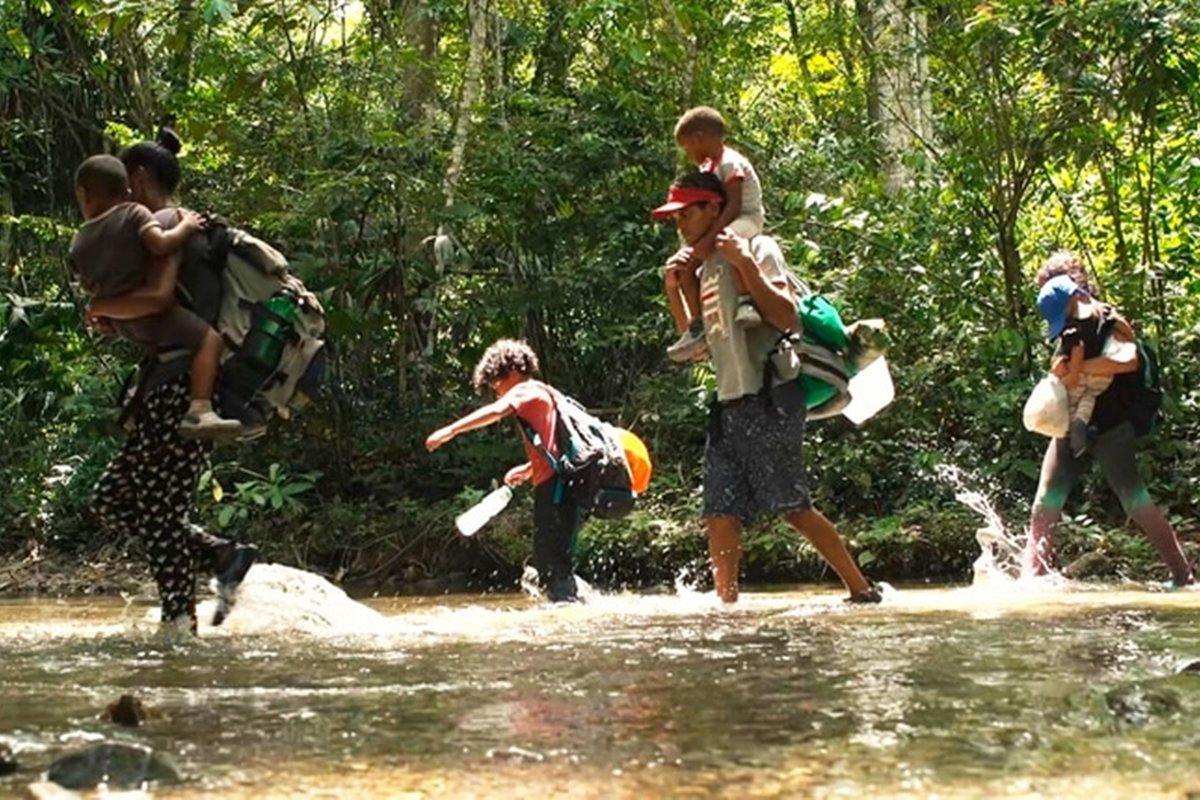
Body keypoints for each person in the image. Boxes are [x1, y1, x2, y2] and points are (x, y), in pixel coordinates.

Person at [651, 172, 880, 604]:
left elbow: (785, 316)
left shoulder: (757, 247)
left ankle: (861, 588)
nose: (679, 224)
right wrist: (674, 289)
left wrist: (744, 263)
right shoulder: (700, 268)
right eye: (675, 216)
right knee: (719, 511)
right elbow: (698, 345)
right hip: (729, 401)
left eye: (686, 213)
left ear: (713, 209)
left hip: (773, 393)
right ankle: (727, 603)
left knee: (792, 506)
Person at [89, 129, 258, 633]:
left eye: (122, 185)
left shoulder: (166, 224)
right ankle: (221, 555)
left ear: (138, 178)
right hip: (165, 385)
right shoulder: (171, 227)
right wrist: (114, 316)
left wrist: (102, 305)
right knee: (111, 499)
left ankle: (177, 622)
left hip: (179, 389)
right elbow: (155, 314)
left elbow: (158, 300)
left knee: (160, 511)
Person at [1024, 254, 1193, 588]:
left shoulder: (1108, 319)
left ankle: (1183, 576)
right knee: (1046, 500)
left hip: (1113, 426)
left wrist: (1079, 370)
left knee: (1134, 498)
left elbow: (1127, 362)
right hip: (1071, 424)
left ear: (1073, 288)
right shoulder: (1067, 324)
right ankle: (1031, 578)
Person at [71, 154, 242, 440]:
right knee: (210, 340)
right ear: (128, 188)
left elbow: (89, 285)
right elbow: (161, 253)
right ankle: (200, 410)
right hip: (157, 325)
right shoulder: (137, 216)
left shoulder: (78, 242)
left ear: (82, 194)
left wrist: (105, 307)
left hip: (127, 326)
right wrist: (187, 225)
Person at [425, 339, 584, 603]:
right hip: (558, 483)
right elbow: (555, 445)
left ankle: (572, 612)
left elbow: (496, 411)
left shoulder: (525, 390)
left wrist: (450, 431)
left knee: (551, 563)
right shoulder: (545, 393)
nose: (498, 393)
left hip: (556, 486)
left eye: (497, 384)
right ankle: (575, 606)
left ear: (511, 370)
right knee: (551, 560)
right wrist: (529, 468)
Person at [662, 106, 766, 363]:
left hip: (746, 218)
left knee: (728, 244)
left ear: (699, 139)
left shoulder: (731, 163)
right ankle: (697, 325)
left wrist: (709, 240)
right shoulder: (709, 169)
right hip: (726, 220)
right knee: (688, 265)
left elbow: (731, 206)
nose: (689, 154)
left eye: (688, 148)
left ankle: (745, 301)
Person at [1037, 275, 1114, 456]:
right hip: (1103, 376)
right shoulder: (1097, 313)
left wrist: (1073, 375)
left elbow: (1077, 349)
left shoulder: (1071, 327)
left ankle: (1074, 430)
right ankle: (1083, 422)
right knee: (1090, 396)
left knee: (1072, 400)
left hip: (1083, 373)